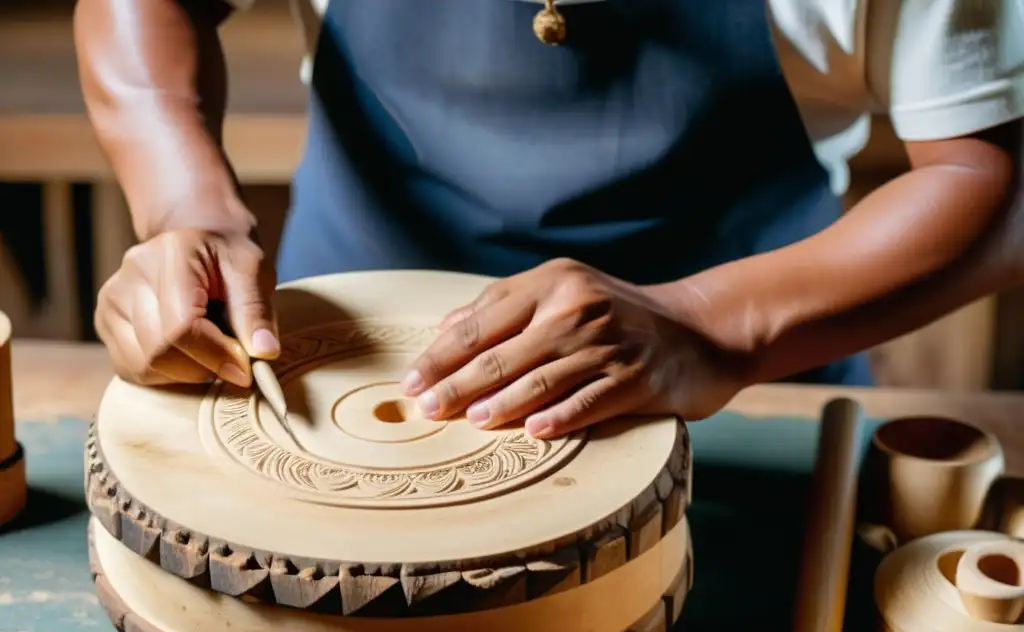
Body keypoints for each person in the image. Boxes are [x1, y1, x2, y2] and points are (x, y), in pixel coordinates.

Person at [75, 0, 1024, 440]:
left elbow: (997, 173)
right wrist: (185, 207)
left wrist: (711, 324)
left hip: (744, 380)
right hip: (343, 355)